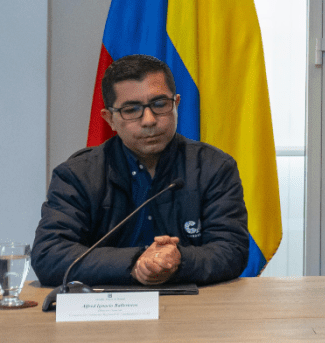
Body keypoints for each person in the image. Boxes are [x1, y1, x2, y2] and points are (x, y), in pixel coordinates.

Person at [32, 54, 249, 286]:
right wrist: (135, 263)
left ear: (176, 104)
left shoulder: (214, 167)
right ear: (110, 119)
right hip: (105, 308)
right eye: (131, 109)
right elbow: (49, 255)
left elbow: (232, 250)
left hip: (192, 307)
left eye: (159, 104)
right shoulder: (78, 175)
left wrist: (179, 261)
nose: (149, 120)